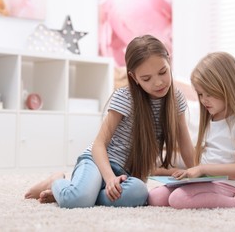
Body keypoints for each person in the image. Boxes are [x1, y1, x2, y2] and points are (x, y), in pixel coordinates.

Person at [24, 34, 194, 208]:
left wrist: (197, 172)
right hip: (98, 163)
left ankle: (83, 193)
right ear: (134, 77)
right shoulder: (125, 97)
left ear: (169, 62)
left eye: (163, 72)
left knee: (139, 193)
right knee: (77, 201)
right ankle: (57, 181)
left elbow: (185, 141)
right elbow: (99, 144)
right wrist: (109, 178)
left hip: (127, 175)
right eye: (146, 78)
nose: (158, 82)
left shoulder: (176, 99)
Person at [148, 51, 235, 209]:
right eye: (200, 94)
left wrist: (202, 169)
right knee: (155, 197)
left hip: (229, 186)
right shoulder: (210, 120)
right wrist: (186, 173)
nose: (203, 100)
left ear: (228, 89)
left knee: (178, 200)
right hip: (206, 181)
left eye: (209, 94)